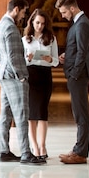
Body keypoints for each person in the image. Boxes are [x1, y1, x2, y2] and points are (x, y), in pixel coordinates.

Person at [0, 0, 44, 165]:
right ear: (16, 9)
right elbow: (14, 57)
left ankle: (4, 151)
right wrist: (21, 76)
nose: (23, 16)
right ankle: (25, 153)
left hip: (3, 74)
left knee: (5, 115)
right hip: (14, 77)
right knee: (22, 114)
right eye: (23, 12)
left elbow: (0, 56)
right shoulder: (10, 28)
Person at [55, 0, 89, 164]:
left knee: (81, 115)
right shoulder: (78, 23)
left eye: (64, 12)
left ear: (72, 8)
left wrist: (74, 73)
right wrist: (66, 56)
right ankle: (78, 149)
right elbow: (77, 49)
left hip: (78, 76)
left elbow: (83, 53)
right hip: (75, 74)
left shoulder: (82, 24)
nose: (63, 16)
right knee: (79, 114)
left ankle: (80, 153)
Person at [22, 9, 59, 161]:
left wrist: (50, 59)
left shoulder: (51, 38)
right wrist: (28, 59)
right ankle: (34, 147)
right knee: (31, 115)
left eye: (43, 24)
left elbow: (56, 61)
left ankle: (43, 146)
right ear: (31, 22)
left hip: (45, 75)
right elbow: (21, 62)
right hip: (31, 76)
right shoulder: (25, 39)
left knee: (42, 112)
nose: (40, 26)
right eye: (37, 23)